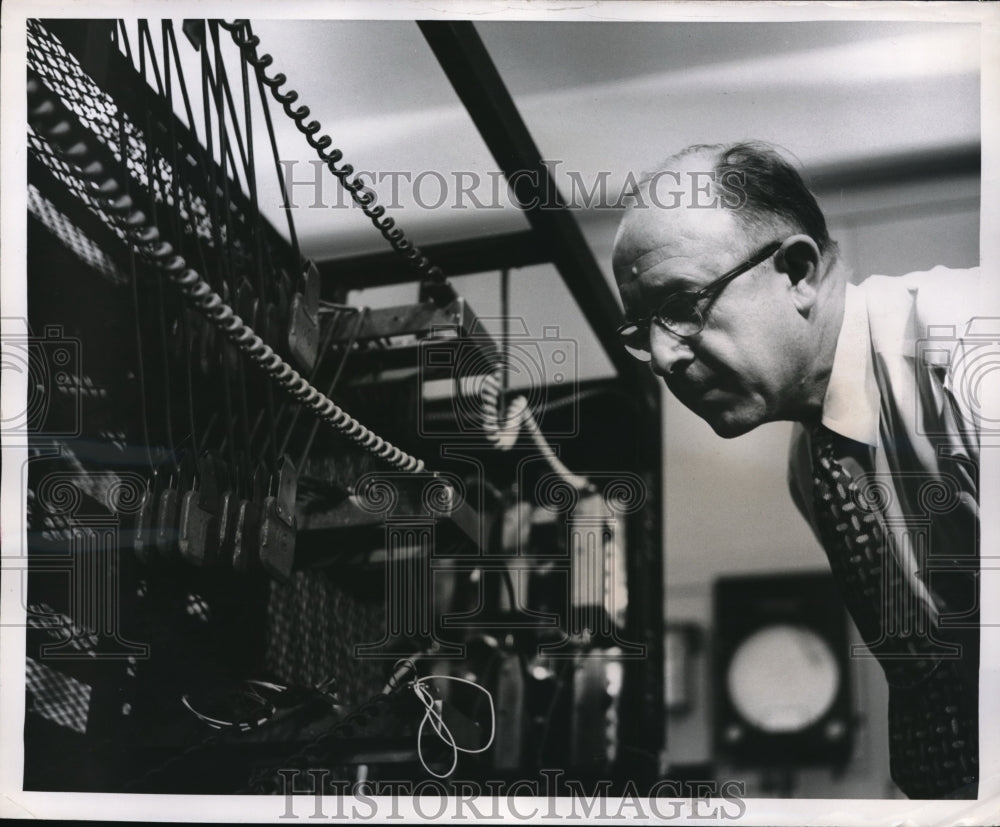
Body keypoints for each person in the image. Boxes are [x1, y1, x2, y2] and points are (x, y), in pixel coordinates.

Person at [611, 141, 983, 799]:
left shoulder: (969, 349)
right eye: (642, 327)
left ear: (798, 271)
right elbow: (937, 682)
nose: (664, 357)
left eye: (681, 303)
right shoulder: (814, 469)